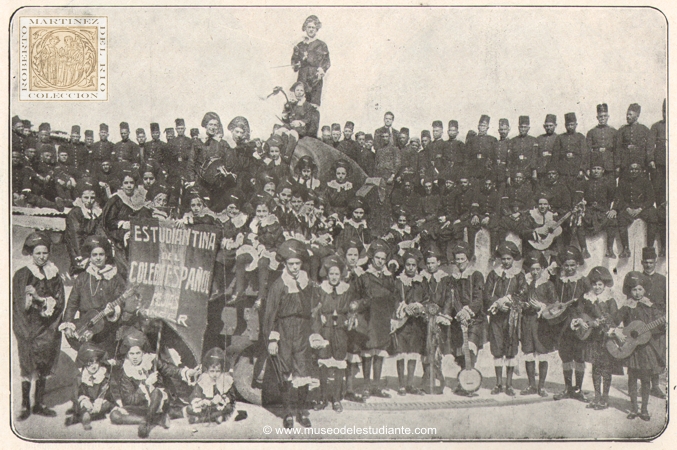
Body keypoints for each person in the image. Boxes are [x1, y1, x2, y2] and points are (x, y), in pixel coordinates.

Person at [263, 239, 316, 429]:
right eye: (291, 264)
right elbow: (272, 314)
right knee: (285, 372)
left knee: (303, 371)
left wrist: (314, 333)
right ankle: (287, 413)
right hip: (284, 330)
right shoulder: (279, 285)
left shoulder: (307, 283)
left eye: (297, 264)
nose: (294, 267)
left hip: (302, 331)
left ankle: (301, 411)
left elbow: (313, 309)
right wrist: (272, 338)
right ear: (285, 264)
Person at [13, 231, 65, 420]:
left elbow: (60, 300)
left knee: (43, 364)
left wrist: (49, 310)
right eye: (38, 253)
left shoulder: (54, 273)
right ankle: (25, 406)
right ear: (31, 254)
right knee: (27, 365)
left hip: (47, 327)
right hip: (29, 327)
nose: (42, 256)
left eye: (45, 253)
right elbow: (19, 304)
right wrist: (23, 330)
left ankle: (39, 404)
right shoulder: (23, 274)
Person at [110, 328, 198, 438]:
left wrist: (187, 372)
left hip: (158, 402)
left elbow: (169, 369)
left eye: (138, 353)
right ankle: (156, 419)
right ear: (127, 355)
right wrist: (146, 384)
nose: (135, 357)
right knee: (115, 416)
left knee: (156, 392)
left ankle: (146, 423)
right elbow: (129, 400)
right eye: (131, 354)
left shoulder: (151, 361)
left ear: (143, 353)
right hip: (140, 407)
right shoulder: (126, 371)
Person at [59, 236, 128, 355]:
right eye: (94, 255)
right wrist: (68, 324)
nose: (98, 258)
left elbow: (121, 302)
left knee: (105, 361)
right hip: (85, 326)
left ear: (106, 256)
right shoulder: (82, 278)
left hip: (107, 329)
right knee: (87, 360)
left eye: (101, 254)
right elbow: (72, 303)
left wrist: (113, 311)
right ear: (90, 257)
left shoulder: (115, 278)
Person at [615, 272, 665, 421]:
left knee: (645, 379)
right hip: (631, 348)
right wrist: (618, 332)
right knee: (632, 378)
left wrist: (652, 329)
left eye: (640, 290)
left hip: (646, 348)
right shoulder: (627, 306)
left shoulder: (650, 306)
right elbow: (615, 320)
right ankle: (633, 408)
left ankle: (644, 409)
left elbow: (660, 324)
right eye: (634, 290)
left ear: (645, 290)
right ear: (629, 291)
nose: (637, 293)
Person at [353, 239, 397, 399]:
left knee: (380, 351)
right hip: (368, 317)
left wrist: (393, 318)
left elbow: (393, 298)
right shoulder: (364, 277)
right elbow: (356, 297)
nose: (380, 261)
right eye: (377, 258)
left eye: (383, 259)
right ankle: (366, 385)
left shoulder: (388, 278)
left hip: (383, 317)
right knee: (368, 350)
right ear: (371, 258)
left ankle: (377, 386)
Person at [310, 255, 355, 412]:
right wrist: (317, 329)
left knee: (339, 363)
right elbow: (315, 311)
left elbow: (351, 310)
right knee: (323, 362)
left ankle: (336, 398)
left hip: (341, 330)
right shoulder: (321, 290)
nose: (334, 277)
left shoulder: (347, 290)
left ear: (341, 275)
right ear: (327, 275)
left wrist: (350, 319)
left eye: (337, 274)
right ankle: (322, 397)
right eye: (331, 274)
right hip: (326, 329)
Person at [483, 241, 527, 396]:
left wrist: (509, 302)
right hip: (496, 318)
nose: (506, 262)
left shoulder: (519, 275)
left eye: (509, 259)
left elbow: (522, 293)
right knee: (497, 349)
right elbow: (487, 294)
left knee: (510, 348)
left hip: (511, 317)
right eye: (503, 259)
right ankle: (498, 383)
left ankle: (508, 384)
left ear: (513, 259)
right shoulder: (493, 275)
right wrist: (497, 303)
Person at [578, 266, 624, 410]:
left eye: (600, 285)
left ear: (604, 285)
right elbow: (581, 315)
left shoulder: (609, 300)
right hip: (593, 338)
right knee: (595, 368)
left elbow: (615, 319)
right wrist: (588, 323)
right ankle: (597, 396)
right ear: (591, 284)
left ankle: (605, 397)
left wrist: (608, 325)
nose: (597, 287)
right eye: (594, 284)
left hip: (607, 338)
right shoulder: (587, 299)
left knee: (606, 368)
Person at [552, 246, 591, 402]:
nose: (569, 268)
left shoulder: (583, 281)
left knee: (579, 356)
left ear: (577, 265)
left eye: (572, 265)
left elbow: (590, 301)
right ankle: (568, 388)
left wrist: (582, 318)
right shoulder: (558, 280)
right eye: (566, 265)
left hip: (578, 322)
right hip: (562, 323)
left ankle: (579, 389)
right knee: (566, 356)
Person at [519, 251, 558, 397]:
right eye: (532, 269)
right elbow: (521, 299)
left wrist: (542, 306)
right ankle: (531, 385)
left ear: (542, 268)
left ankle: (541, 386)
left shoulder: (548, 285)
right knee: (528, 351)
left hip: (542, 323)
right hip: (527, 321)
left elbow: (555, 305)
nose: (535, 272)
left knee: (542, 352)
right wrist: (523, 304)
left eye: (537, 269)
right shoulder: (525, 284)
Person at [448, 242, 485, 396]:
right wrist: (459, 313)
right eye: (457, 259)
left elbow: (479, 297)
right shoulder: (453, 278)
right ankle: (463, 382)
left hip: (474, 319)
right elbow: (453, 298)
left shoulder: (476, 275)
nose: (459, 262)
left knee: (470, 348)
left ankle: (470, 382)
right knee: (460, 351)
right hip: (459, 319)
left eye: (462, 259)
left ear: (468, 260)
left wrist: (468, 311)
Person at [391, 249, 426, 396]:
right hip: (402, 322)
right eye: (408, 265)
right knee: (401, 352)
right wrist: (404, 308)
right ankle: (401, 385)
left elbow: (426, 298)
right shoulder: (398, 282)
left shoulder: (421, 282)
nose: (411, 267)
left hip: (416, 323)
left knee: (413, 352)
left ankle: (410, 384)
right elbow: (393, 298)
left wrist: (418, 306)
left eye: (413, 265)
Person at [101, 168, 145, 276]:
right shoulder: (116, 199)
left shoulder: (139, 199)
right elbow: (108, 221)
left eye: (131, 183)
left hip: (136, 230)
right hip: (116, 232)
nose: (129, 186)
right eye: (126, 183)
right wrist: (121, 223)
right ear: (121, 185)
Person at [575, 152, 618, 258]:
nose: (596, 171)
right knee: (578, 223)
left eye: (599, 169)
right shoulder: (585, 183)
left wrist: (613, 209)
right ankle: (584, 249)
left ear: (603, 171)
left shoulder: (608, 183)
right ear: (590, 170)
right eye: (594, 168)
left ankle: (609, 249)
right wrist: (580, 208)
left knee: (612, 221)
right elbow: (579, 197)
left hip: (603, 211)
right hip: (589, 211)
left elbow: (616, 198)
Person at [612, 158, 658, 257]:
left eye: (636, 169)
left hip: (642, 209)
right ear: (628, 170)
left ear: (641, 170)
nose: (634, 171)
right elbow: (619, 198)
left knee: (653, 217)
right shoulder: (623, 181)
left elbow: (651, 198)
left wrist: (640, 208)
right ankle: (625, 249)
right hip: (628, 208)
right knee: (621, 219)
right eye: (632, 169)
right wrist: (627, 208)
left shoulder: (646, 181)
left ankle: (650, 248)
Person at [64, 342, 115, 430]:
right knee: (83, 406)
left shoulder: (103, 375)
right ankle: (85, 415)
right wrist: (84, 401)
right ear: (84, 363)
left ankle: (82, 417)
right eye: (90, 363)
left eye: (96, 362)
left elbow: (104, 391)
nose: (93, 365)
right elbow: (78, 393)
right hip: (86, 401)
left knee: (107, 405)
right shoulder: (81, 377)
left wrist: (98, 402)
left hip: (100, 400)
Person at [640, 246, 666, 398]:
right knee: (644, 355)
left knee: (657, 355)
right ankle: (644, 385)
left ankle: (655, 386)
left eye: (651, 262)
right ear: (642, 262)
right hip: (642, 323)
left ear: (655, 262)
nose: (648, 265)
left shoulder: (663, 280)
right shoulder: (636, 278)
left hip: (659, 323)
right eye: (645, 262)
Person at [186, 348, 238, 424]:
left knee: (228, 408)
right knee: (190, 408)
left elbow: (232, 396)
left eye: (217, 371)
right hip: (206, 404)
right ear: (207, 370)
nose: (214, 374)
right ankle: (213, 417)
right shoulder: (204, 379)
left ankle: (205, 418)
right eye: (212, 371)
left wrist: (223, 398)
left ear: (221, 370)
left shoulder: (225, 379)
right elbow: (194, 395)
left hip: (218, 405)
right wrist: (201, 401)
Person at [291, 15, 330, 106]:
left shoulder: (321, 45)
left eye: (313, 27)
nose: (311, 29)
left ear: (317, 29)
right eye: (309, 27)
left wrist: (321, 70)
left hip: (315, 78)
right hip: (302, 77)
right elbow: (294, 63)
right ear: (305, 28)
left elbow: (326, 61)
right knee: (301, 104)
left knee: (313, 105)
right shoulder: (300, 45)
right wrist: (297, 63)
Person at [553, 112, 589, 192]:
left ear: (576, 124)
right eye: (568, 125)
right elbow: (555, 155)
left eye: (572, 125)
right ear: (565, 126)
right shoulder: (560, 138)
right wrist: (557, 170)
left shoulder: (580, 137)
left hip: (576, 171)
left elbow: (584, 154)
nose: (570, 127)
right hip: (563, 171)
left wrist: (582, 169)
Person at [616, 103, 653, 173]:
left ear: (637, 116)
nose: (627, 116)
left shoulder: (644, 129)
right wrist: (618, 165)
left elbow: (649, 146)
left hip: (640, 162)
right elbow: (618, 148)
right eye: (627, 114)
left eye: (630, 114)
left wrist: (649, 160)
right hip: (625, 163)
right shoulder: (622, 130)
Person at [586, 103, 618, 180]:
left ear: (608, 117)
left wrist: (617, 166)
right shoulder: (591, 132)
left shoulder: (614, 131)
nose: (603, 118)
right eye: (600, 116)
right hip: (596, 164)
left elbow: (617, 150)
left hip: (610, 164)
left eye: (605, 116)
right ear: (597, 117)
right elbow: (587, 151)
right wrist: (587, 167)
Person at [464, 115, 497, 185]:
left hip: (486, 169)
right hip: (474, 168)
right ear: (478, 127)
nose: (482, 128)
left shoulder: (492, 140)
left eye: (484, 126)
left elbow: (494, 157)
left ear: (487, 127)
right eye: (481, 126)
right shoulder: (472, 140)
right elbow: (467, 156)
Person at [508, 116, 538, 184]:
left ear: (528, 128)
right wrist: (509, 175)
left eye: (525, 127)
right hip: (515, 172)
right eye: (521, 127)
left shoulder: (533, 140)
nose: (523, 129)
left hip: (528, 172)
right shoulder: (513, 141)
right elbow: (510, 159)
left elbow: (534, 157)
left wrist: (534, 171)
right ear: (518, 128)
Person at [535, 114, 558, 186]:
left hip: (553, 171)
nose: (548, 128)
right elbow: (535, 155)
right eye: (547, 126)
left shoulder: (558, 138)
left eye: (551, 126)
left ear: (555, 125)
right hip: (541, 171)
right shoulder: (539, 138)